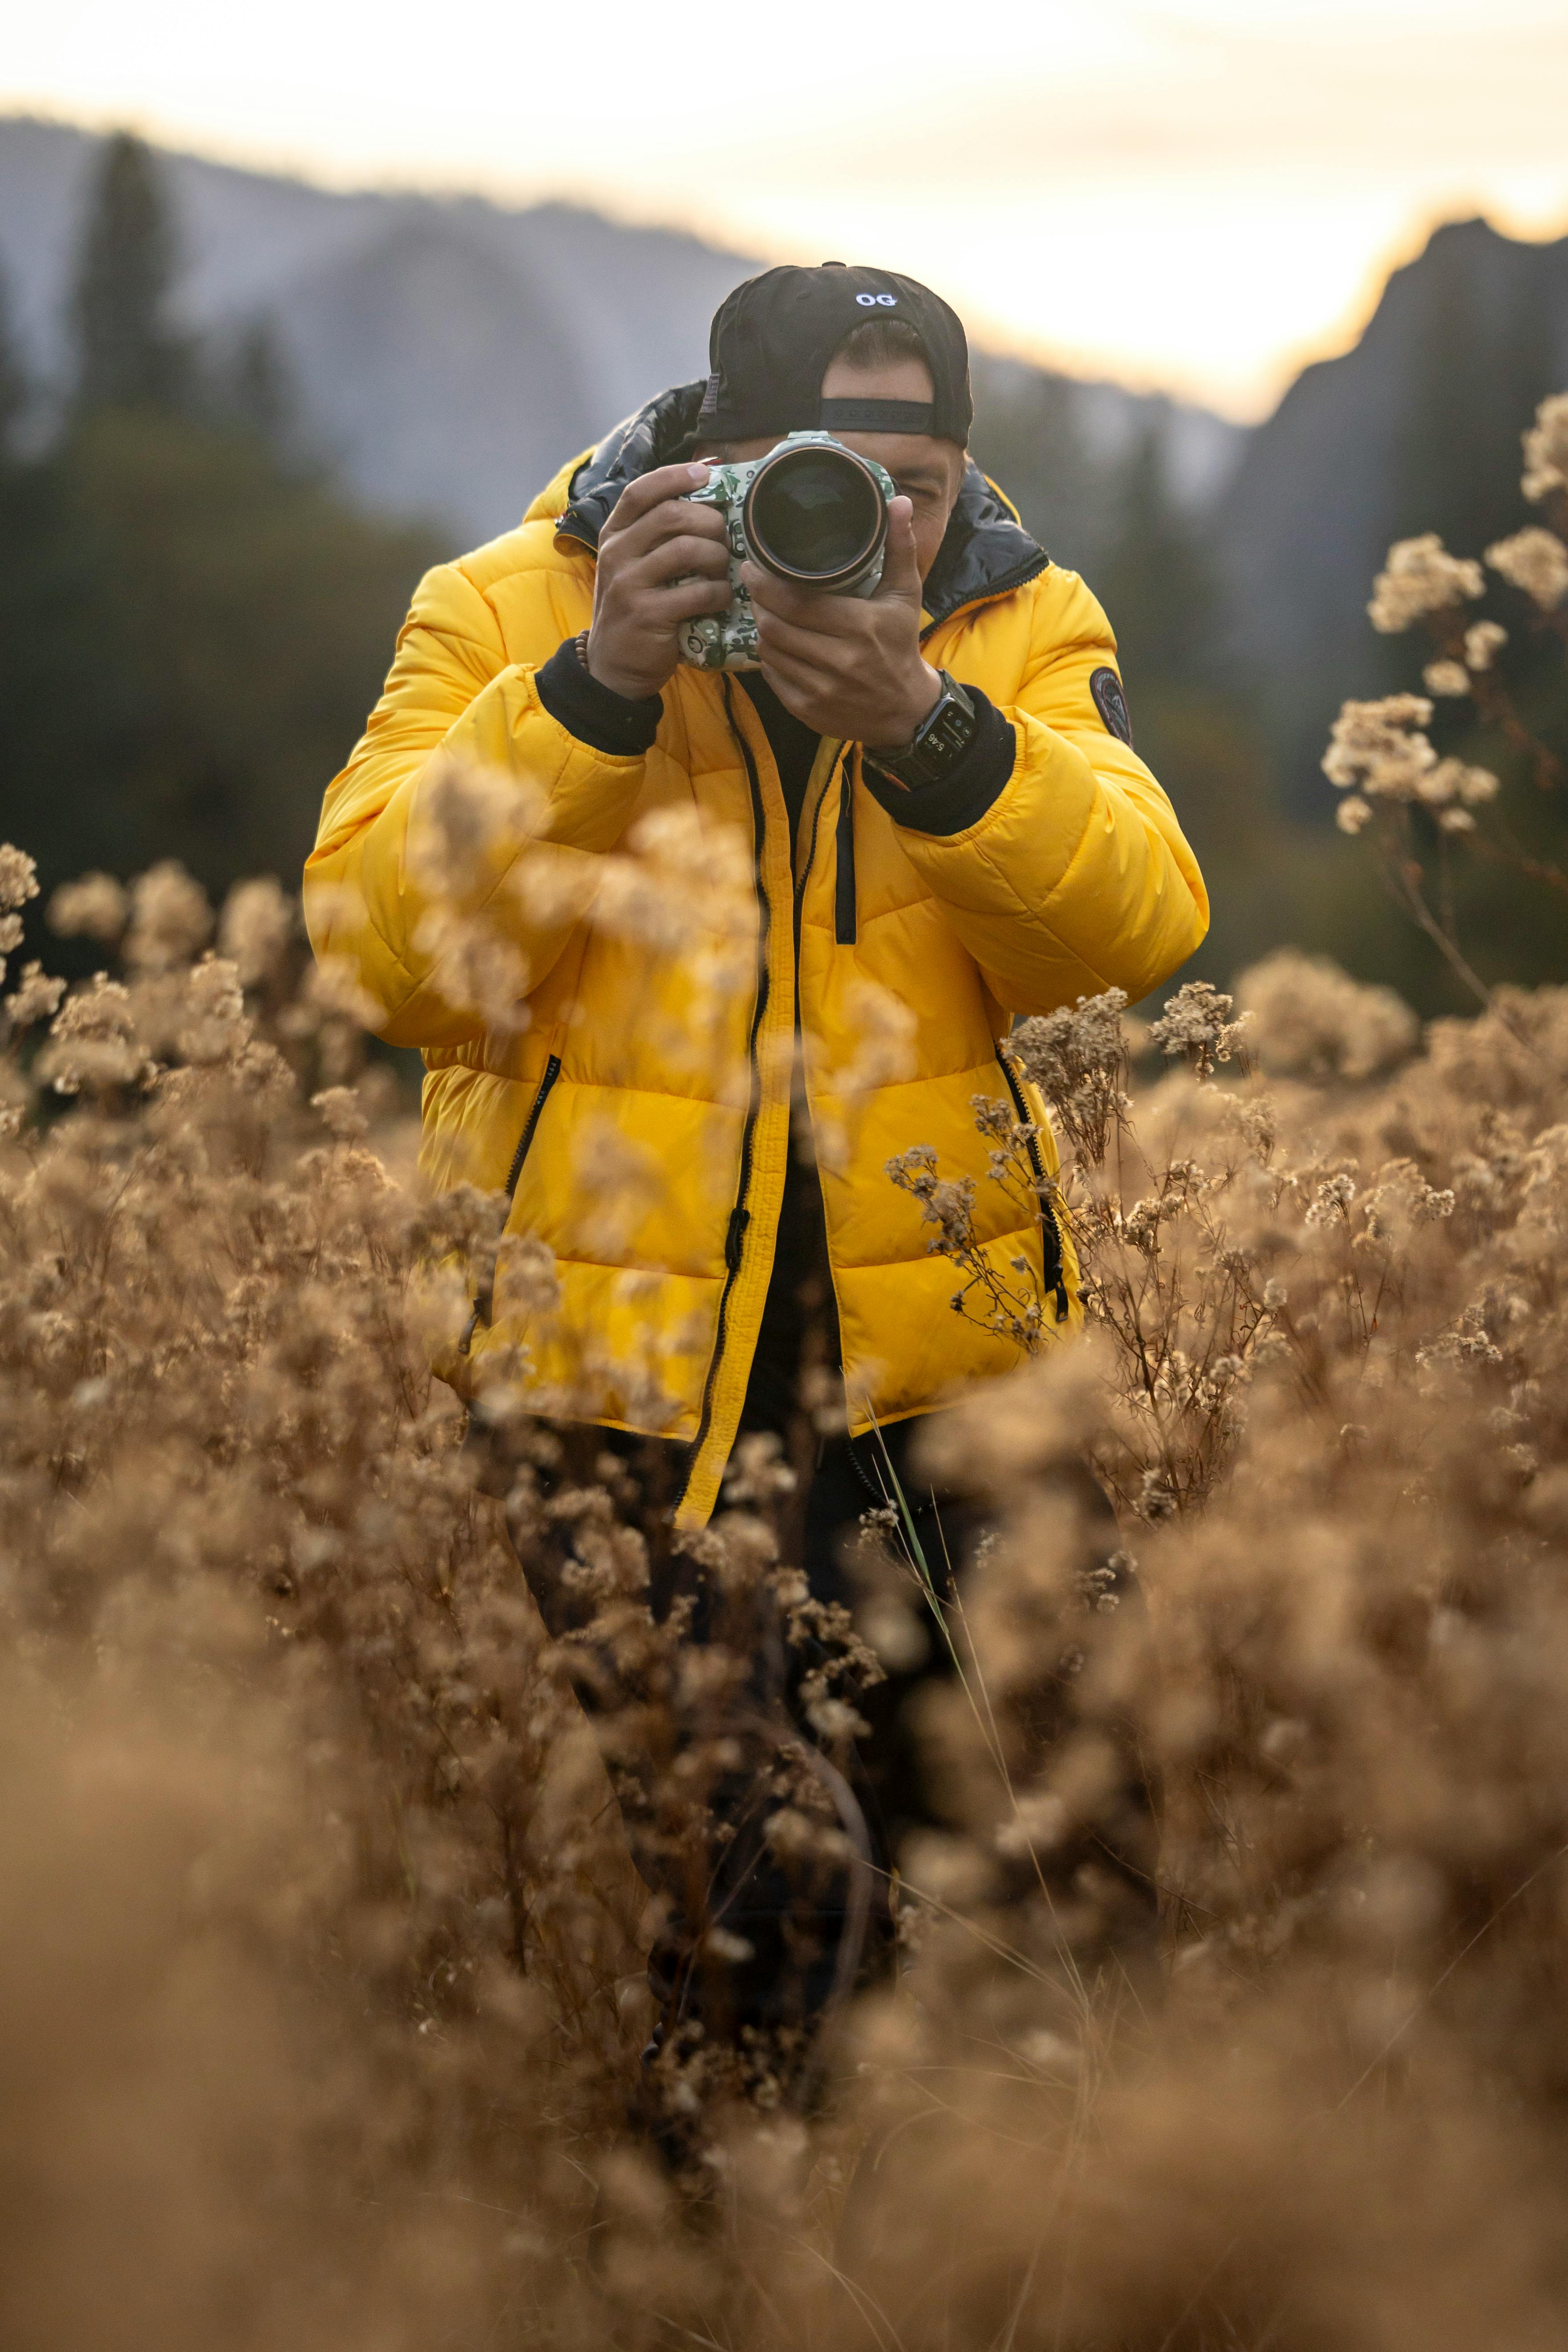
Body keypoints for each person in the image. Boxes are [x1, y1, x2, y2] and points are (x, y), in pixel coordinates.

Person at [307, 263, 1208, 2110]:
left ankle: (1030, 2263)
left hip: (948, 1362)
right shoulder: (508, 604)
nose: (874, 525)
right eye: (830, 467)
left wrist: (928, 725)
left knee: (1085, 1846)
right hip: (613, 1379)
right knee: (768, 1902)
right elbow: (376, 952)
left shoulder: (1010, 622)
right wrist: (591, 688)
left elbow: (1135, 926)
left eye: (926, 481)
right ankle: (720, 2275)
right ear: (721, 455)